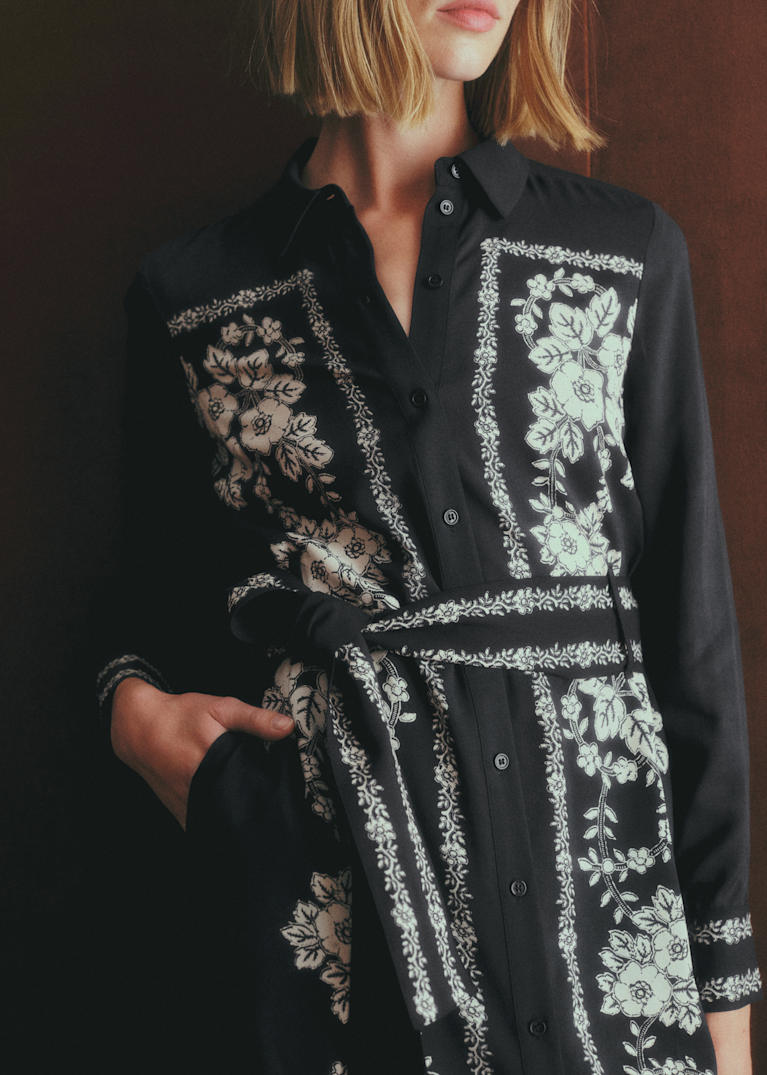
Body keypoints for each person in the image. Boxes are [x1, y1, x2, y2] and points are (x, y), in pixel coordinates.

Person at [94, 1, 763, 1072]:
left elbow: (693, 654)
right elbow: (147, 610)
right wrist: (134, 717)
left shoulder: (623, 252)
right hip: (341, 945)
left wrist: (725, 1016)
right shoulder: (193, 297)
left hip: (612, 966)